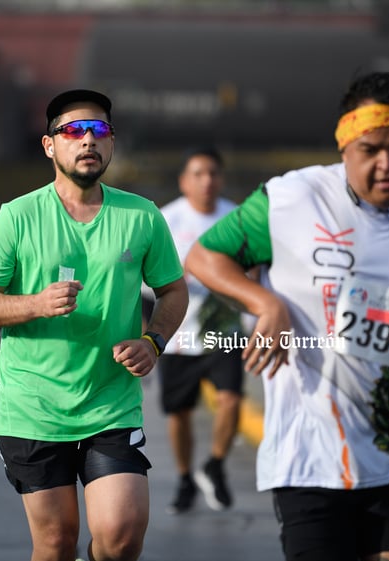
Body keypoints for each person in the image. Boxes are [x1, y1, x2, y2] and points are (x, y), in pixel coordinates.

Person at [185, 71, 389, 561]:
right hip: (311, 455)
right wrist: (266, 304)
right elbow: (203, 257)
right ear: (344, 146)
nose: (388, 164)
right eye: (371, 149)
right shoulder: (289, 200)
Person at [0, 89, 188, 561]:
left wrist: (154, 341)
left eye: (99, 130)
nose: (88, 140)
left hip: (110, 404)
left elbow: (173, 291)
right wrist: (35, 304)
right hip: (33, 407)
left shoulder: (141, 215)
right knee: (56, 542)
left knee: (121, 536)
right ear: (50, 146)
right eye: (74, 131)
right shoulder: (17, 217)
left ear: (112, 143)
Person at [146, 146, 244, 514]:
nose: (207, 181)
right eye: (198, 174)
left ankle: (215, 465)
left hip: (224, 329)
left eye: (213, 173)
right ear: (184, 181)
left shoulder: (237, 218)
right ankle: (186, 478)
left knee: (231, 399)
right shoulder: (165, 220)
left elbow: (255, 273)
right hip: (178, 334)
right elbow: (144, 281)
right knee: (180, 414)